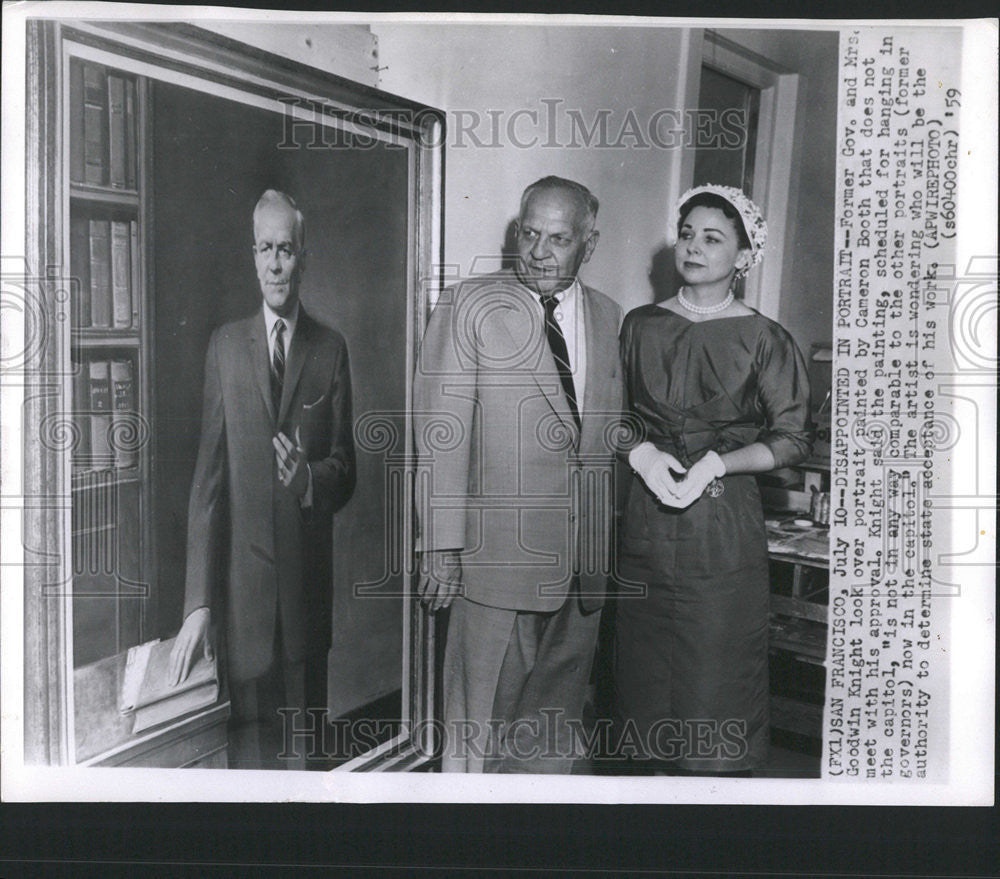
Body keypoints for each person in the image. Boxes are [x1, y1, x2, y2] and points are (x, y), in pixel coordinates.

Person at [413, 176, 625, 772]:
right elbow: (441, 429)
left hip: (583, 568)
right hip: (494, 563)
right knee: (477, 728)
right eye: (529, 233)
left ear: (590, 242)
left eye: (559, 238)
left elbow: (606, 436)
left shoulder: (609, 317)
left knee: (550, 737)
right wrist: (442, 546)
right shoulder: (468, 304)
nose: (539, 251)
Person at [615, 184, 814, 774]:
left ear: (745, 256)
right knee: (645, 681)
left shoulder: (765, 338)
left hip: (722, 524)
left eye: (712, 237)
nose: (693, 246)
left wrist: (718, 463)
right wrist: (642, 455)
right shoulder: (640, 325)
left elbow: (792, 437)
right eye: (686, 234)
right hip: (648, 520)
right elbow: (614, 417)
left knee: (714, 678)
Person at [168, 189, 356, 770]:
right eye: (267, 250)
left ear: (304, 257)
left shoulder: (330, 348)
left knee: (306, 764)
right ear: (253, 255)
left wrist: (307, 481)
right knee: (250, 764)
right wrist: (198, 603)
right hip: (241, 601)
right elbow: (208, 483)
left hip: (306, 601)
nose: (277, 264)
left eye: (288, 251)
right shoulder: (224, 347)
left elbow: (346, 470)